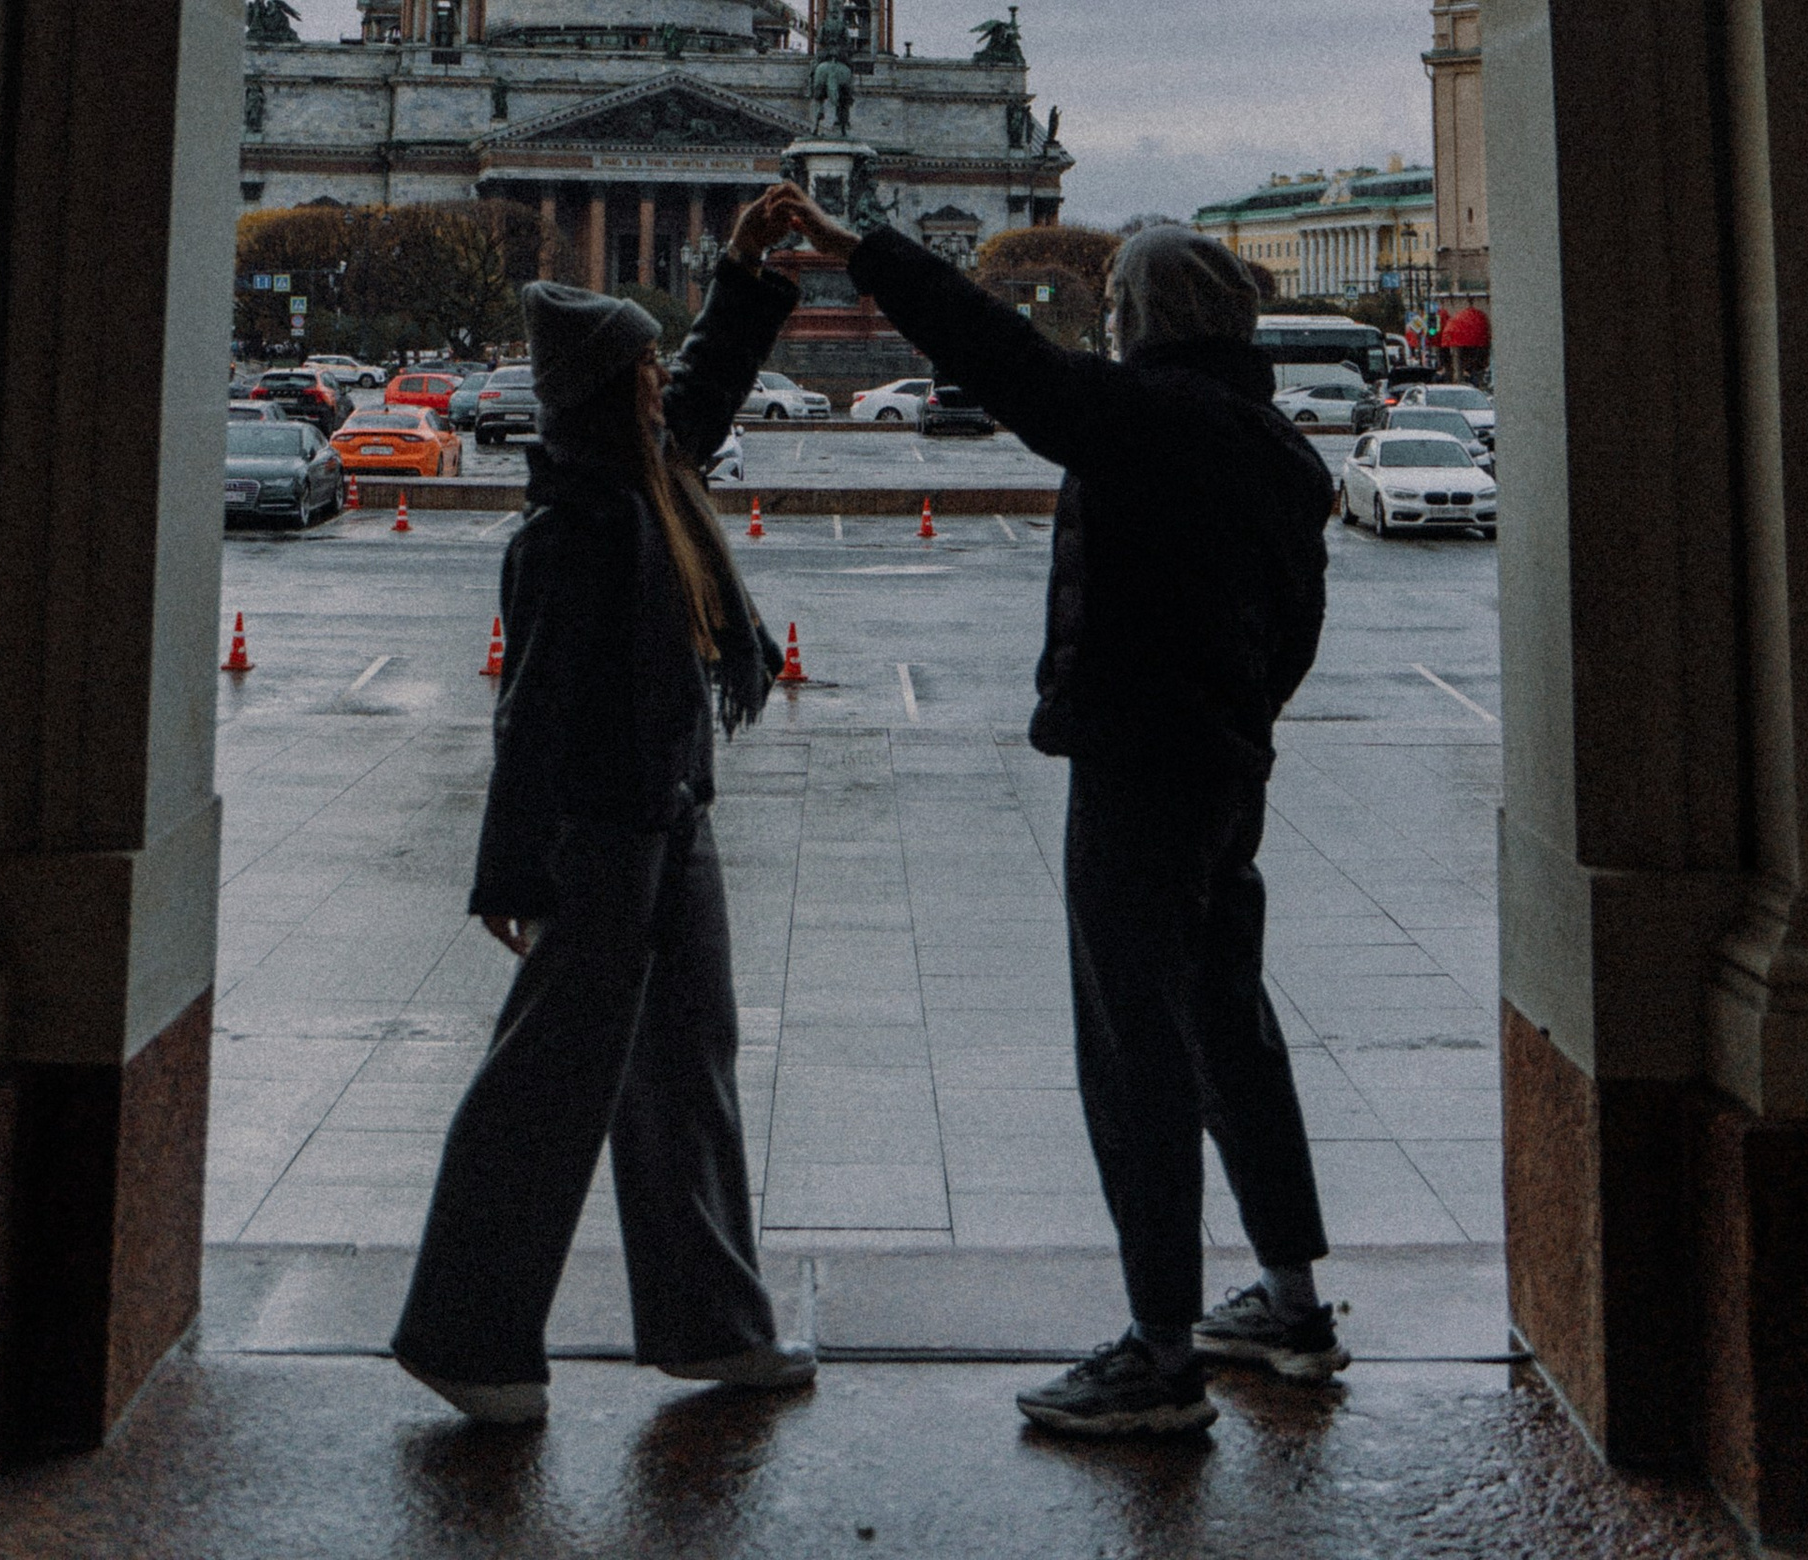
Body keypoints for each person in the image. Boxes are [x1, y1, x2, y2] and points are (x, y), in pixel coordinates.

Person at [751, 181, 1341, 1440]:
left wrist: (867, 258)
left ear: (1142, 317)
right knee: (1230, 1024)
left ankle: (1163, 1354)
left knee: (1134, 1051)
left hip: (1140, 765)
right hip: (1227, 766)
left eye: (1119, 303)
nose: (1110, 322)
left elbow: (1001, 357)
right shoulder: (1272, 442)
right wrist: (1240, 722)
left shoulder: (1144, 420)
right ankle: (1289, 1303)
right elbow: (1297, 629)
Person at [391, 245, 818, 1423]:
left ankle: (712, 1328)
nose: (658, 381)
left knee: (689, 1072)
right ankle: (465, 1337)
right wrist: (511, 869)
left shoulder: (647, 472)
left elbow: (707, 387)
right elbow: (525, 711)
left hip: (672, 817)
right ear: (602, 387)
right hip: (600, 839)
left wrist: (752, 276)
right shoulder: (574, 522)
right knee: (547, 1085)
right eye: (640, 365)